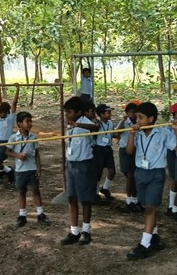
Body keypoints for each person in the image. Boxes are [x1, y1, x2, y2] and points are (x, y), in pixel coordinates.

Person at [126, 102, 177, 260]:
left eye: (140, 117)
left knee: (151, 207)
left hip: (156, 174)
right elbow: (129, 151)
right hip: (140, 173)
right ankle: (154, 236)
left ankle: (144, 245)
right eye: (136, 117)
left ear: (151, 119)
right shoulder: (137, 133)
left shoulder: (162, 133)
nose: (137, 121)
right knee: (147, 206)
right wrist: (131, 135)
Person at [60, 96, 98, 246]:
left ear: (78, 112)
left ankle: (86, 231)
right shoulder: (70, 125)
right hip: (71, 164)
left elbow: (96, 128)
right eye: (66, 112)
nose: (67, 115)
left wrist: (78, 124)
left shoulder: (87, 123)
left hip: (84, 165)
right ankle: (74, 231)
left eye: (69, 112)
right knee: (71, 197)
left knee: (85, 199)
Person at [6, 111, 50, 227]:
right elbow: (8, 151)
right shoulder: (14, 137)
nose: (30, 123)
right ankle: (22, 215)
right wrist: (18, 155)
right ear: (20, 124)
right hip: (21, 170)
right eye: (27, 121)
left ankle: (40, 214)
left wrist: (39, 168)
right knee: (22, 191)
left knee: (36, 190)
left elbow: (37, 153)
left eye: (31, 121)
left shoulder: (33, 137)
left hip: (32, 168)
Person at [116, 101, 143, 212]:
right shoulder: (124, 122)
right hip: (125, 150)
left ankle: (135, 200)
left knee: (135, 177)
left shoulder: (139, 122)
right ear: (126, 113)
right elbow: (116, 134)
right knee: (130, 176)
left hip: (137, 150)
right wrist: (123, 121)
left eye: (134, 112)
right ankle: (129, 200)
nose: (132, 114)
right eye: (129, 112)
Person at [94, 104, 116, 201]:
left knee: (112, 171)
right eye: (108, 112)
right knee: (99, 172)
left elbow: (113, 134)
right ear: (101, 114)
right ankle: (95, 192)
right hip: (99, 149)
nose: (110, 114)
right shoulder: (97, 124)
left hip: (108, 148)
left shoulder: (110, 123)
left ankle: (105, 188)